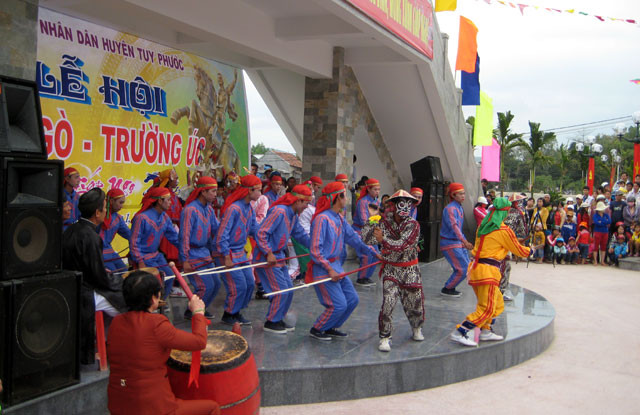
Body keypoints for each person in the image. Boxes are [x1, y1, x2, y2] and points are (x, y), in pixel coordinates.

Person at [107, 271, 219, 415]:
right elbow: (199, 342)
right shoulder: (156, 324)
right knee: (212, 408)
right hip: (152, 407)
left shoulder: (116, 322)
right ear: (153, 298)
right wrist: (198, 313)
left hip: (118, 404)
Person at [450, 197, 530, 347]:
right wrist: (530, 250)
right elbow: (519, 250)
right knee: (486, 308)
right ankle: (460, 332)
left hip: (476, 269)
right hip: (488, 272)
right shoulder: (503, 230)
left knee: (497, 303)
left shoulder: (483, 227)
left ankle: (486, 331)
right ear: (504, 212)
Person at [306, 181, 378, 341]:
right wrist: (329, 269)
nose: (347, 198)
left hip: (336, 266)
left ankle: (330, 326)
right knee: (338, 305)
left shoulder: (339, 218)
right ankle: (318, 328)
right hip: (324, 268)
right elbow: (315, 250)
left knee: (352, 299)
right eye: (344, 195)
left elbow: (354, 238)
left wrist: (374, 252)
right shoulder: (322, 219)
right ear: (337, 197)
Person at [62, 188, 127, 365]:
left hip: (73, 286)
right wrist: (118, 281)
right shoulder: (91, 236)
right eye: (104, 208)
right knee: (130, 299)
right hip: (85, 292)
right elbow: (99, 279)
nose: (106, 211)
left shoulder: (72, 229)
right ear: (97, 213)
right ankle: (119, 348)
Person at [361, 190, 424, 352]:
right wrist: (372, 219)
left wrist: (383, 239)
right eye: (401, 203)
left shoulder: (413, 225)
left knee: (414, 303)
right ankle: (385, 336)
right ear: (394, 205)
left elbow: (403, 245)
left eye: (408, 203)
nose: (406, 207)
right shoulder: (384, 222)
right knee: (388, 303)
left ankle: (416, 327)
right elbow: (367, 239)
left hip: (410, 269)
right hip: (391, 269)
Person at [254, 184, 312, 333]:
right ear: (298, 201)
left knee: (288, 290)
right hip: (266, 257)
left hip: (278, 256)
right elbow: (261, 233)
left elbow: (300, 234)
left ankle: (278, 318)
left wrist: (315, 247)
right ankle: (271, 321)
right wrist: (268, 253)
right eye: (306, 203)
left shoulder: (293, 216)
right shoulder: (279, 211)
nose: (307, 207)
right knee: (280, 291)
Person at [215, 175, 262, 326]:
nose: (260, 194)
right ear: (249, 191)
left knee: (250, 283)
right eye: (258, 190)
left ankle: (237, 311)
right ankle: (229, 313)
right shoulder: (234, 209)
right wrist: (226, 255)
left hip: (241, 252)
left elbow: (255, 229)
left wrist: (267, 241)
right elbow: (222, 234)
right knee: (238, 285)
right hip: (229, 253)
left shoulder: (249, 209)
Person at [179, 177, 219, 320]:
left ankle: (202, 307)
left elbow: (217, 229)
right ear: (203, 192)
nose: (215, 194)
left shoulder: (209, 209)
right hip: (192, 253)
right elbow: (184, 236)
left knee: (216, 283)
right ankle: (192, 311)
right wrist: (185, 259)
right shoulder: (190, 210)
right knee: (205, 286)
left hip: (204, 252)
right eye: (213, 191)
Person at [130, 187, 180, 298]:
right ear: (160, 201)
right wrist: (140, 261)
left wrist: (186, 249)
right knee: (155, 283)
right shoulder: (141, 218)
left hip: (156, 256)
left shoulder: (165, 217)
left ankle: (161, 302)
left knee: (170, 277)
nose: (170, 203)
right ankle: (153, 304)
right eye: (168, 200)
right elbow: (134, 242)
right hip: (144, 258)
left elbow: (174, 237)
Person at [439, 182, 473, 297]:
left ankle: (450, 287)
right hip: (450, 242)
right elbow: (454, 227)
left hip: (456, 242)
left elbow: (457, 228)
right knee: (463, 269)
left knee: (466, 267)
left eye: (464, 193)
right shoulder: (451, 208)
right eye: (460, 194)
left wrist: (463, 241)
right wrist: (465, 241)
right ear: (453, 195)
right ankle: (448, 288)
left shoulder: (458, 207)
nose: (463, 196)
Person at [352, 178, 381, 286]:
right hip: (360, 230)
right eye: (375, 189)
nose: (377, 192)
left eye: (378, 189)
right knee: (367, 254)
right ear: (368, 189)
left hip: (371, 230)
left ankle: (366, 276)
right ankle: (361, 278)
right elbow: (363, 221)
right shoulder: (363, 202)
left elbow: (376, 218)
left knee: (376, 254)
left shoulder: (376, 202)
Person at [154, 169, 183, 267]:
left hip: (173, 228)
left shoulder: (172, 194)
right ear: (168, 180)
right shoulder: (164, 194)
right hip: (165, 229)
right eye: (175, 178)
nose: (177, 180)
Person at [100, 189, 132, 273]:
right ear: (111, 201)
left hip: (109, 251)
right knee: (114, 274)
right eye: (120, 202)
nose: (122, 206)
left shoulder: (118, 218)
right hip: (98, 252)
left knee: (124, 272)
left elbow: (130, 235)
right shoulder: (99, 215)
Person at [592, 201, 611, 266]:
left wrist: (601, 222)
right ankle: (595, 261)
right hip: (597, 231)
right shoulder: (595, 215)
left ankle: (602, 261)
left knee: (603, 246)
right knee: (596, 246)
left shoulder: (606, 215)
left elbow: (609, 221)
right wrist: (604, 222)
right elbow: (596, 222)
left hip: (605, 232)